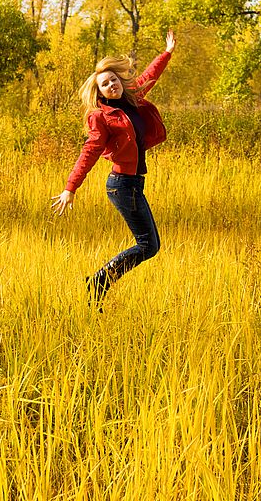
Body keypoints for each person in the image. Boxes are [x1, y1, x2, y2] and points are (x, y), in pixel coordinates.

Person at [51, 30, 176, 310]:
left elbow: (150, 76)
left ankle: (99, 282)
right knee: (147, 245)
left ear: (120, 81)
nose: (111, 86)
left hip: (133, 184)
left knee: (150, 245)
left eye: (113, 80)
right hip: (121, 186)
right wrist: (70, 188)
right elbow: (90, 151)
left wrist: (166, 52)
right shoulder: (101, 116)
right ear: (100, 91)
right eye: (105, 84)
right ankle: (99, 281)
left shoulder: (130, 100)